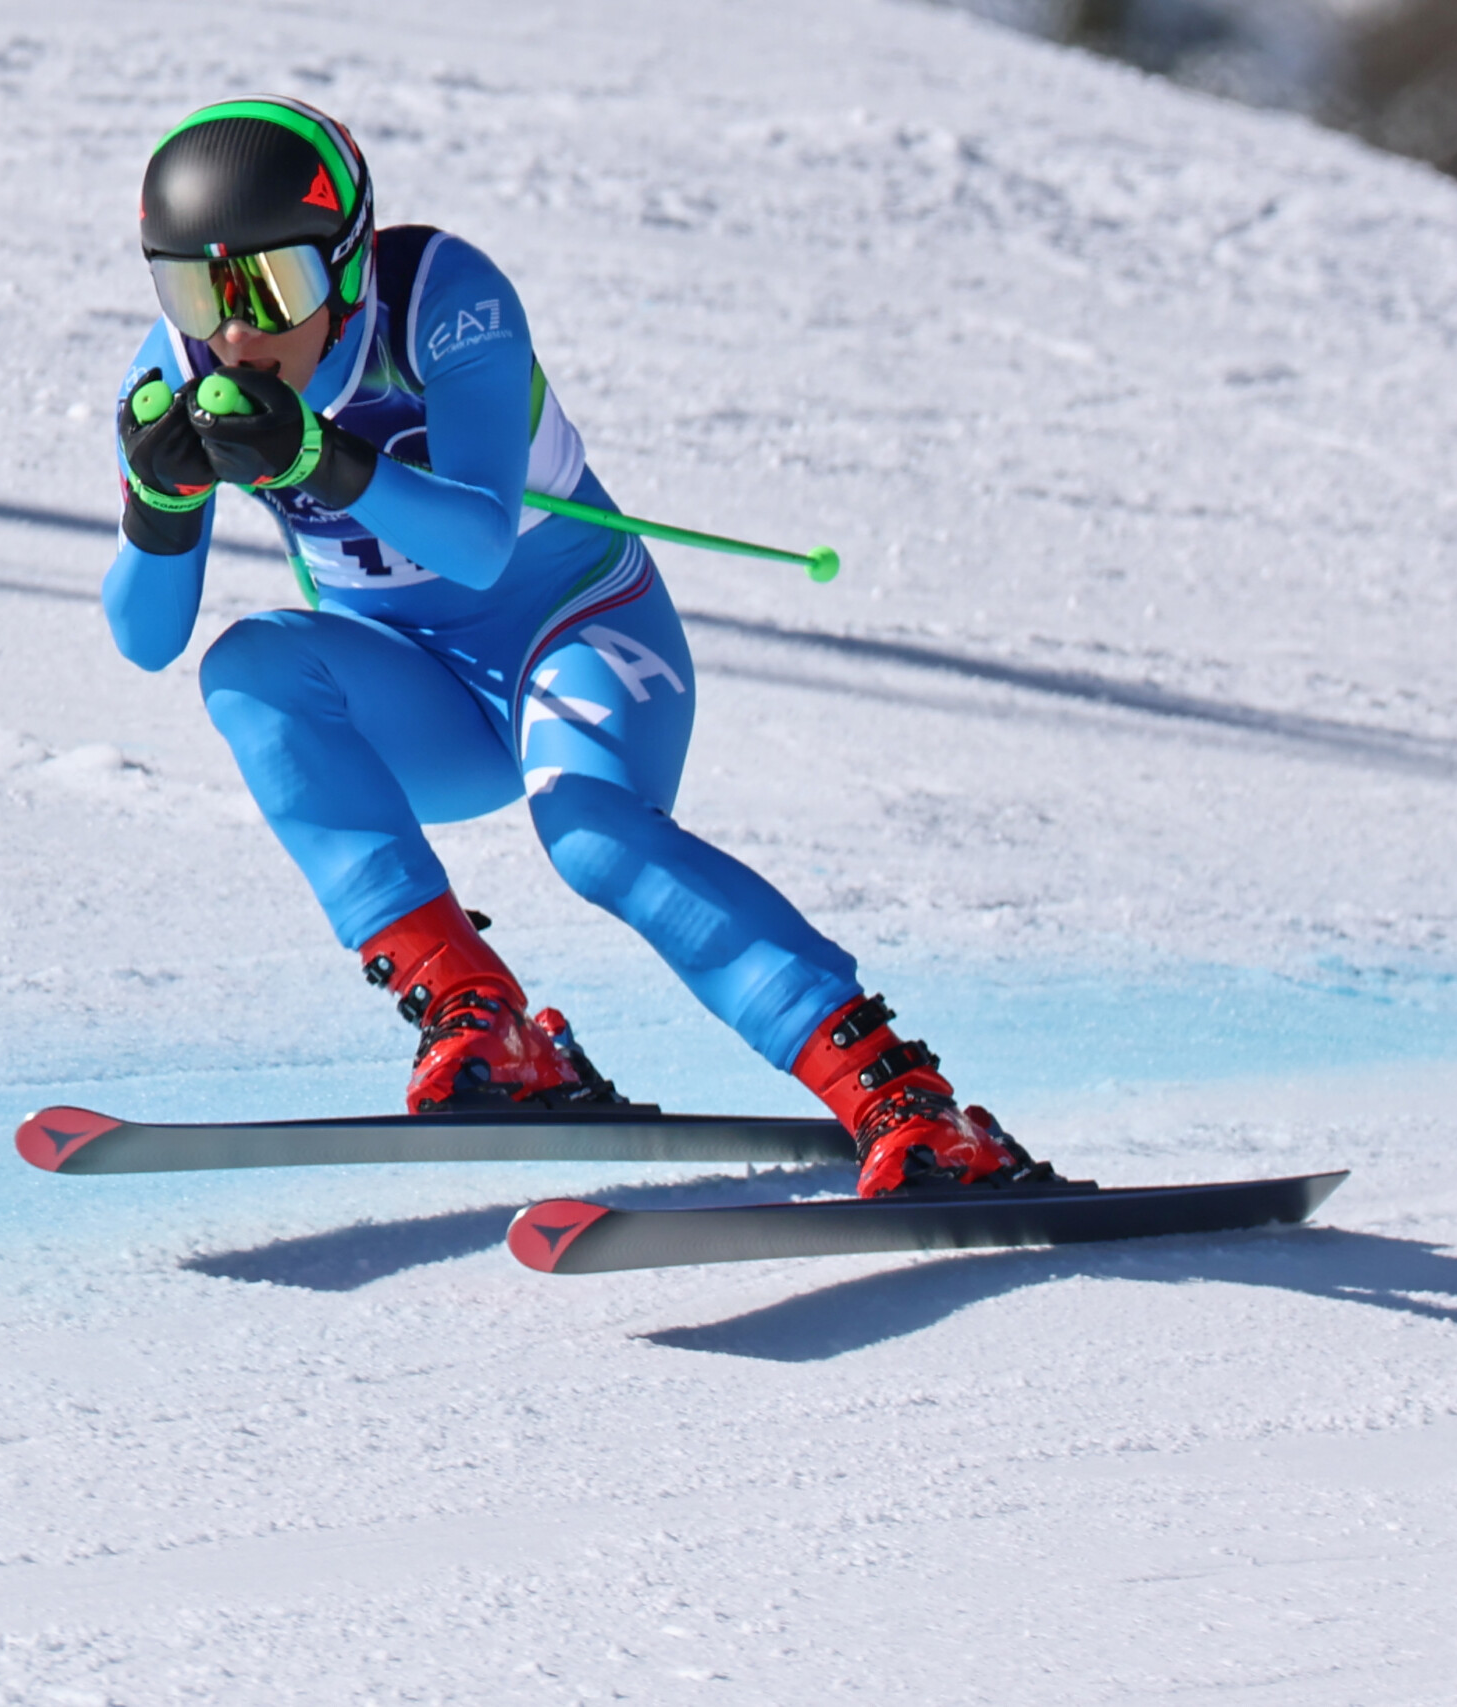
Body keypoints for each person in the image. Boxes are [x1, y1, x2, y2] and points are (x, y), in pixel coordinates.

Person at [104, 94, 1054, 1198]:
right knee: (250, 667)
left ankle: (905, 1102)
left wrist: (317, 457)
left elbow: (474, 539)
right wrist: (157, 504)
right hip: (426, 698)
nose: (235, 335)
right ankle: (482, 1019)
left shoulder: (442, 301)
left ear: (350, 267)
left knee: (592, 838)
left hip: (578, 633)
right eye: (194, 290)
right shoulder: (168, 369)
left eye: (273, 288)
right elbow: (147, 639)